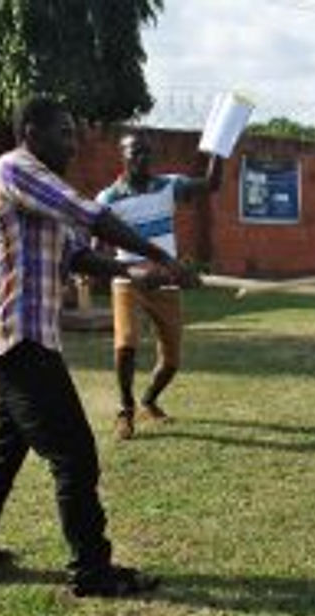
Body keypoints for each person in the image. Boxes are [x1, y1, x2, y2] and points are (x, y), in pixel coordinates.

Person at [0, 96, 188, 597]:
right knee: (75, 455)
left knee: (7, 448)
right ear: (31, 131)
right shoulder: (17, 169)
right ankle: (92, 572)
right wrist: (158, 252)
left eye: (75, 135)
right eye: (64, 133)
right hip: (16, 336)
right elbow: (91, 215)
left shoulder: (41, 189)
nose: (73, 145)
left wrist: (133, 269)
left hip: (24, 336)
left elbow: (76, 252)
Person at [95, 131, 221, 440]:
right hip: (129, 281)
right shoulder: (108, 199)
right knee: (125, 344)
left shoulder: (168, 186)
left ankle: (148, 400)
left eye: (147, 153)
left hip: (167, 282)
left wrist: (221, 146)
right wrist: (94, 268)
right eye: (135, 152)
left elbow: (211, 184)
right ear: (121, 157)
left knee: (172, 362)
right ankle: (125, 411)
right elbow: (96, 245)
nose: (143, 159)